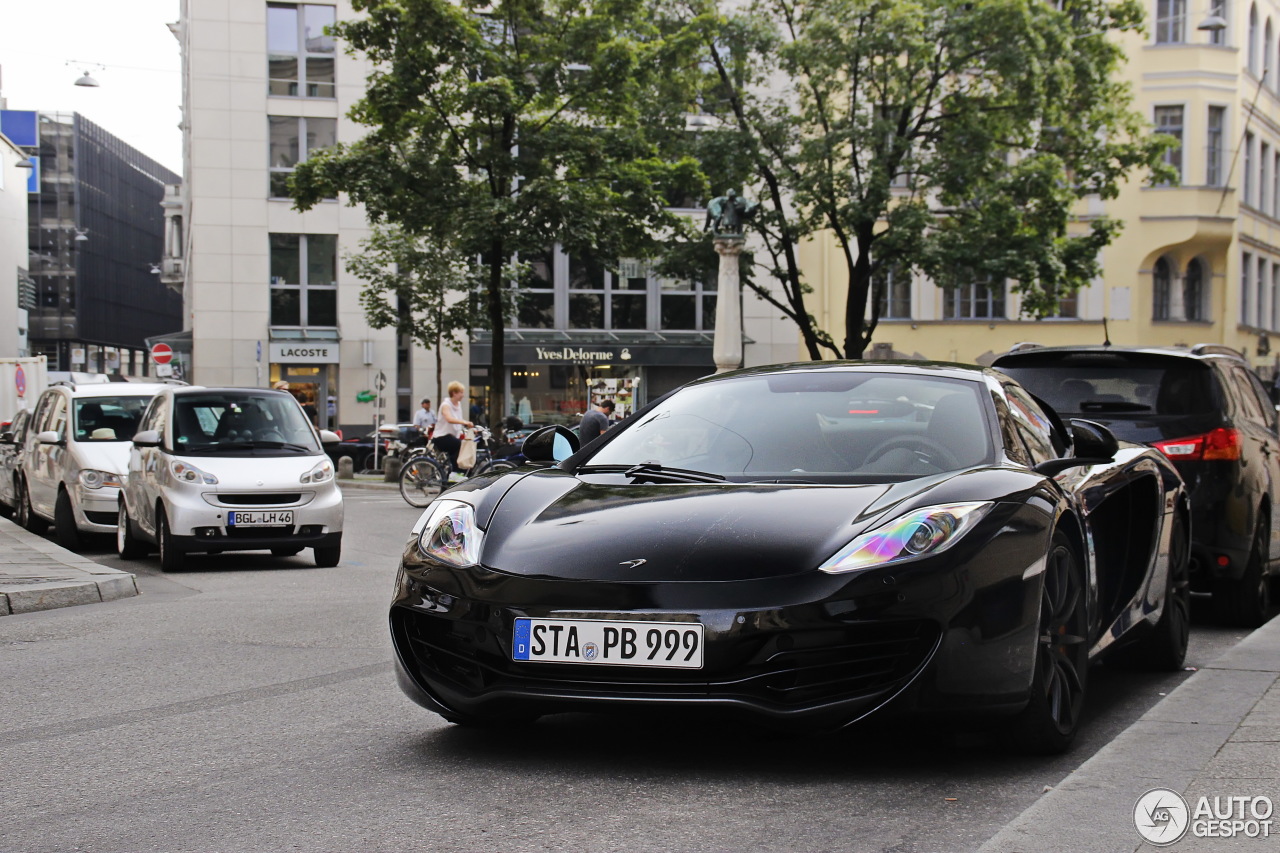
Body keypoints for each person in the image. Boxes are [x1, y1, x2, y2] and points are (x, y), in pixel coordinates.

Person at [436, 381, 474, 481]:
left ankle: (451, 477)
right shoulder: (446, 405)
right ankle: (454, 474)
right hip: (441, 437)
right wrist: (465, 422)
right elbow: (449, 418)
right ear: (454, 393)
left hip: (451, 436)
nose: (463, 395)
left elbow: (458, 423)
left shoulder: (458, 405)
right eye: (461, 392)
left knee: (462, 446)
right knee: (460, 446)